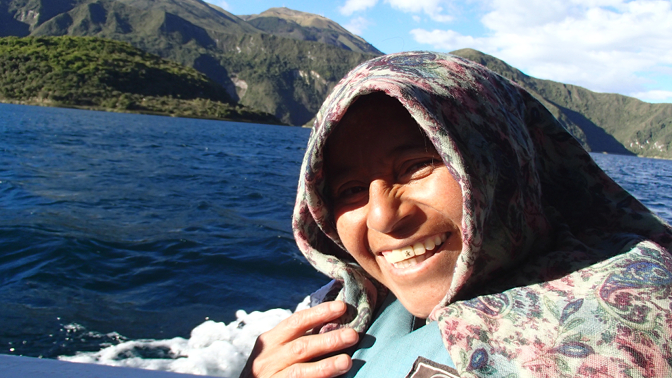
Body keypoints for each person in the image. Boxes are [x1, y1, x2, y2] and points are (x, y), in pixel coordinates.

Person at [240, 52, 672, 378]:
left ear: (502, 165)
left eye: (415, 165)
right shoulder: (348, 306)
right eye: (349, 190)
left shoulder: (634, 326)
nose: (382, 218)